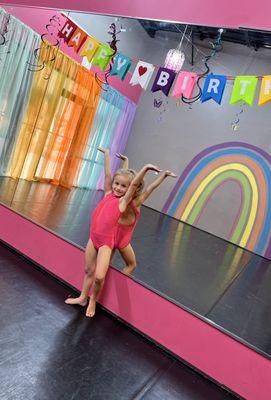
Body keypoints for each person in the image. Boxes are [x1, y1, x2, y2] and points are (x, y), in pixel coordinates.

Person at [65, 160, 162, 317]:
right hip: (93, 238)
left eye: (123, 186)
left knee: (99, 277)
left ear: (129, 190)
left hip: (105, 243)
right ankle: (82, 297)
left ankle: (93, 301)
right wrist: (108, 155)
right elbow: (109, 175)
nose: (118, 188)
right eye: (116, 184)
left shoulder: (123, 202)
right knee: (88, 270)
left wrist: (145, 169)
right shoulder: (109, 192)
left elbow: (134, 185)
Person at [98, 147, 177, 275]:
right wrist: (164, 175)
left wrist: (126, 161)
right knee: (132, 265)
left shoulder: (121, 199)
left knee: (106, 265)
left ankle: (103, 283)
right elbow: (151, 187)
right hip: (123, 240)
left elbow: (125, 178)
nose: (120, 187)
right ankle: (116, 282)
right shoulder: (137, 201)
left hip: (111, 235)